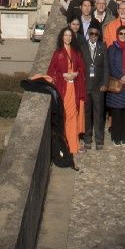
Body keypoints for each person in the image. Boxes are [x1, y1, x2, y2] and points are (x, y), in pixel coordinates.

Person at [46, 25, 86, 168]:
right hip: (63, 88)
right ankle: (66, 144)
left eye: (70, 35)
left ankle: (73, 145)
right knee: (66, 116)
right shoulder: (58, 53)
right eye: (65, 35)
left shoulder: (76, 53)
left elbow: (82, 68)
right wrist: (62, 75)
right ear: (61, 37)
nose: (68, 38)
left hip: (74, 87)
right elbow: (51, 72)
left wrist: (75, 74)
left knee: (73, 116)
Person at [105, 25, 125, 143]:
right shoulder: (112, 48)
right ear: (117, 35)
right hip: (117, 84)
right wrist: (121, 76)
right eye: (121, 34)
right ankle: (116, 137)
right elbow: (111, 65)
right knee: (117, 112)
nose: (123, 36)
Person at [81, 19, 108, 150]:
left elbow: (106, 67)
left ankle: (99, 139)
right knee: (87, 114)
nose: (93, 36)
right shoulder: (82, 47)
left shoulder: (103, 47)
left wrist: (105, 83)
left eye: (96, 34)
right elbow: (80, 67)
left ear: (98, 35)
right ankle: (87, 139)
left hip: (98, 86)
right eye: (91, 33)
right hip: (86, 86)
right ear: (88, 33)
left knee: (98, 114)